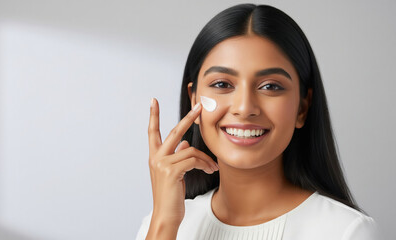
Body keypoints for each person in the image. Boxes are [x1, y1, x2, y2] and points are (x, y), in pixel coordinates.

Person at [137, 3, 377, 240]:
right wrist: (163, 224)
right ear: (193, 100)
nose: (244, 108)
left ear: (302, 108)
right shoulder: (160, 224)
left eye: (270, 86)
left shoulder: (346, 231)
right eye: (222, 84)